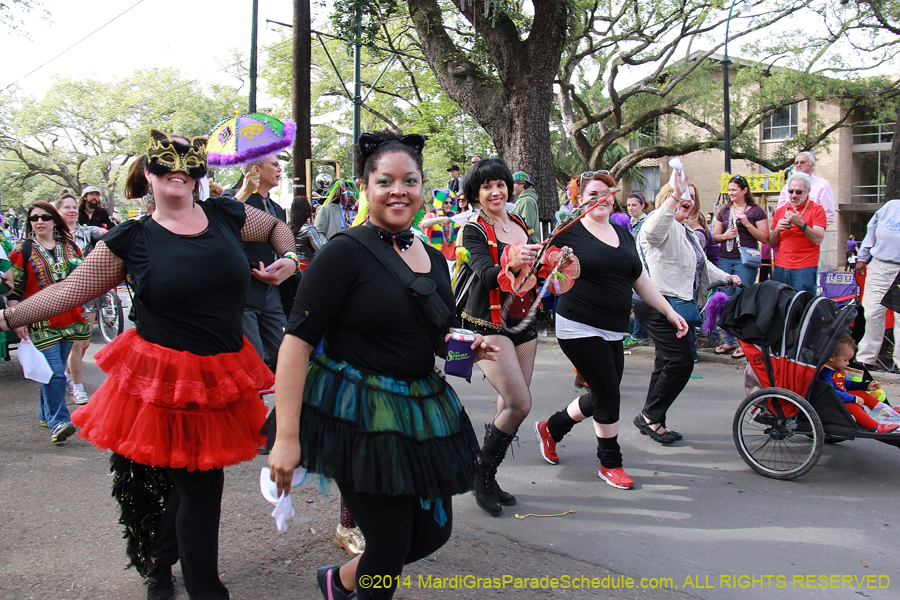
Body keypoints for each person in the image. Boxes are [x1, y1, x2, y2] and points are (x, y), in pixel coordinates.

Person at [1, 130, 296, 600]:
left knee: (191, 475)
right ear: (148, 176)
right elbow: (70, 290)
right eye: (165, 163)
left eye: (187, 162)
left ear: (198, 172)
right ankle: (206, 591)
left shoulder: (225, 215)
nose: (177, 170)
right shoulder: (131, 239)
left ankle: (159, 560)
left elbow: (278, 229)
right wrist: (6, 316)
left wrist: (289, 257)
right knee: (202, 488)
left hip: (221, 373)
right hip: (164, 380)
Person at [267, 130, 497, 600]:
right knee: (390, 544)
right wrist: (286, 439)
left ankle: (339, 580)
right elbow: (295, 343)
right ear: (366, 187)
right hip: (357, 415)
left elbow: (441, 335)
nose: (399, 191)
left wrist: (464, 352)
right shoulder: (343, 253)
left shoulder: (433, 257)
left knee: (431, 534)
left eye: (409, 181)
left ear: (421, 186)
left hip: (419, 409)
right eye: (385, 181)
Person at [532, 173, 687, 489]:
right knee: (609, 394)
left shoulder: (623, 233)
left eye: (604, 193)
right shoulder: (568, 233)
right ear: (580, 199)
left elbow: (639, 280)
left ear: (612, 197)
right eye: (591, 193)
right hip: (578, 325)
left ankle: (552, 427)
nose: (598, 198)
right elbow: (542, 270)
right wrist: (556, 263)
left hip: (613, 330)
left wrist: (669, 311)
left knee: (602, 392)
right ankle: (610, 463)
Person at [459, 158, 544, 516]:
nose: (496, 192)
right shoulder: (474, 229)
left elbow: (534, 270)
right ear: (476, 194)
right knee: (519, 404)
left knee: (509, 404)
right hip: (488, 324)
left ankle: (489, 475)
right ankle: (481, 475)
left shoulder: (520, 222)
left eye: (500, 184)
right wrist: (513, 260)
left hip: (524, 321)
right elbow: (488, 274)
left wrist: (551, 258)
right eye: (487, 187)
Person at [634, 176, 738, 443]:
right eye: (680, 196)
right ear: (668, 199)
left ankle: (653, 418)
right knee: (681, 362)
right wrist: (676, 194)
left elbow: (699, 264)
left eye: (690, 196)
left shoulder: (686, 230)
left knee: (666, 361)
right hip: (658, 304)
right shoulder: (659, 223)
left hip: (676, 304)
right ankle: (650, 416)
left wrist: (727, 276)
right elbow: (653, 233)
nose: (687, 201)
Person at [5, 201, 90, 443]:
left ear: (54, 220)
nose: (39, 222)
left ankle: (46, 413)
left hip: (71, 318)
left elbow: (83, 279)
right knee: (55, 374)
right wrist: (16, 318)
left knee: (52, 372)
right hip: (38, 321)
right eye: (34, 218)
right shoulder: (23, 250)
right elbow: (14, 290)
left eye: (44, 217)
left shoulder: (70, 247)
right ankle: (59, 422)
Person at [223, 155, 292, 373]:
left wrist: (289, 260)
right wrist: (243, 193)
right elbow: (221, 227)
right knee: (251, 362)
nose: (280, 169)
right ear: (256, 169)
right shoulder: (231, 198)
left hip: (271, 292)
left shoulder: (277, 209)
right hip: (243, 290)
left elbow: (285, 246)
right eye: (274, 165)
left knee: (286, 354)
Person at [54, 192, 105, 405]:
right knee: (75, 345)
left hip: (89, 294)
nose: (72, 210)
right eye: (66, 207)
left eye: (74, 207)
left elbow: (108, 234)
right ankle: (77, 386)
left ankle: (68, 374)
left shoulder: (87, 232)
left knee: (82, 345)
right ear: (57, 211)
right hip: (64, 295)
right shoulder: (53, 235)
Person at [713, 175, 769, 358]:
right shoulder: (724, 211)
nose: (731, 193)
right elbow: (715, 236)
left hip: (745, 261)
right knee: (725, 301)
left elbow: (764, 237)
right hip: (725, 259)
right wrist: (726, 235)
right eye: (729, 190)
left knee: (742, 300)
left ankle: (743, 343)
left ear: (744, 191)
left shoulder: (756, 211)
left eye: (734, 190)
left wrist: (746, 223)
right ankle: (729, 341)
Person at [818, 334, 898, 433]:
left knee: (862, 394)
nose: (847, 363)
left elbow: (847, 384)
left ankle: (886, 410)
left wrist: (866, 386)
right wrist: (853, 399)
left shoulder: (836, 369)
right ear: (832, 357)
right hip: (832, 403)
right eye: (845, 360)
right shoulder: (825, 374)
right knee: (852, 405)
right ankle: (877, 427)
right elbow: (831, 393)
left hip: (840, 398)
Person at [855, 199, 900, 372]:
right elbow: (870, 233)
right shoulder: (889, 207)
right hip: (880, 265)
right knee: (871, 312)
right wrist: (862, 257)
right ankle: (866, 359)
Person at [768, 172, 826, 295]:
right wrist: (777, 229)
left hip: (805, 267)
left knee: (802, 306)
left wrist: (800, 223)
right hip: (781, 266)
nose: (794, 195)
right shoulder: (780, 211)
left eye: (799, 192)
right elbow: (772, 243)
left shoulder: (817, 210)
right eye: (791, 191)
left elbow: (818, 238)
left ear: (808, 191)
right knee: (780, 305)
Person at [776, 151, 836, 226]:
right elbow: (780, 210)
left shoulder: (822, 184)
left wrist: (812, 230)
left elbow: (828, 215)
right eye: (796, 163)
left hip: (811, 232)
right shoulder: (788, 185)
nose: (799, 165)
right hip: (789, 230)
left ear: (812, 165)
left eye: (802, 162)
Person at [511, 171, 539, 243]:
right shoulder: (521, 200)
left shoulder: (527, 200)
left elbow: (528, 226)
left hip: (527, 245)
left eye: (513, 183)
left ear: (522, 184)